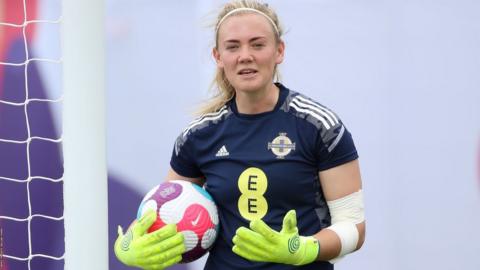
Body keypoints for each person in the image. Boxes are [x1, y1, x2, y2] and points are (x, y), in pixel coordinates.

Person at [114, 0, 366, 269]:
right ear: (218, 57)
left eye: (257, 44)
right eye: (233, 46)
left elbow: (353, 226)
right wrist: (127, 245)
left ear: (279, 51)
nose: (245, 55)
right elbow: (160, 211)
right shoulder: (199, 135)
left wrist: (303, 248)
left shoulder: (319, 126)